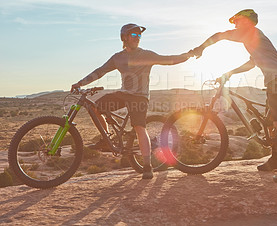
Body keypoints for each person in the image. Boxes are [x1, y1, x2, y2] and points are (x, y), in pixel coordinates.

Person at [71, 23, 194, 180]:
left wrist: (188, 55)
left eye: (139, 36)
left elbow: (168, 60)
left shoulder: (146, 55)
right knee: (94, 107)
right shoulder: (118, 57)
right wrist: (80, 83)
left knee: (139, 127)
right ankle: (105, 139)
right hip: (123, 94)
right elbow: (100, 71)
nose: (137, 38)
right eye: (134, 35)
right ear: (124, 38)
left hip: (140, 97)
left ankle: (147, 166)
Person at [193, 9, 277, 183]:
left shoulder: (249, 33)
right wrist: (229, 73)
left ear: (247, 21)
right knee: (270, 122)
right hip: (276, 79)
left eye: (237, 21)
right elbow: (251, 63)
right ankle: (276, 159)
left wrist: (201, 48)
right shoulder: (254, 38)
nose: (234, 24)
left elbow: (220, 35)